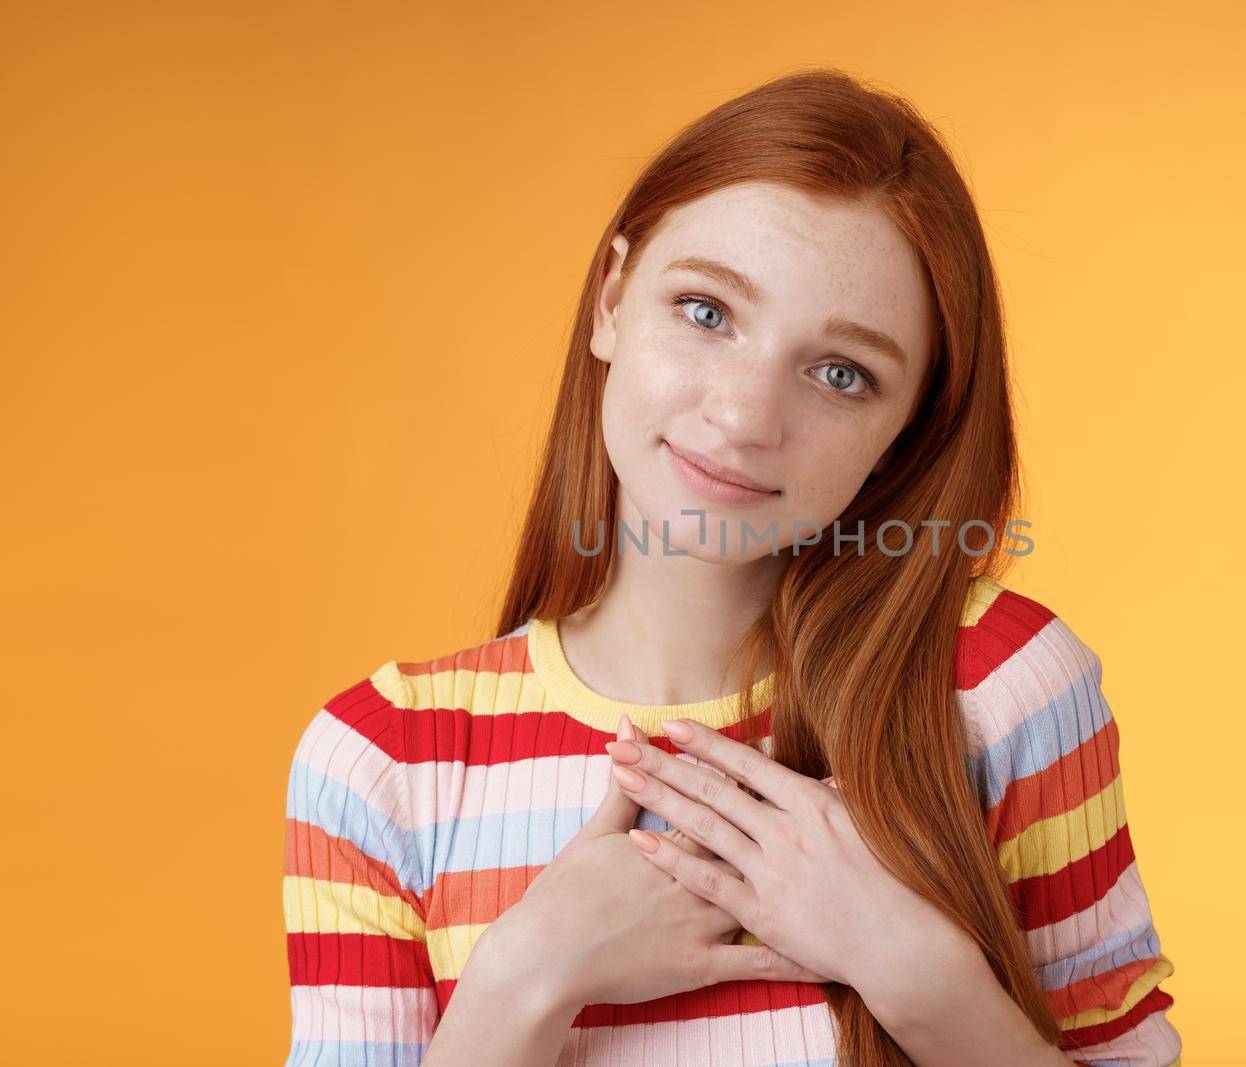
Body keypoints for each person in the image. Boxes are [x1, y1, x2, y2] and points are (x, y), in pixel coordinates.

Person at [281, 67, 1182, 1067]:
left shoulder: (998, 685)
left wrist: (920, 972)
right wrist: (522, 979)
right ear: (614, 297)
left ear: (903, 433)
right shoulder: (383, 760)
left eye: (841, 374)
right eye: (707, 311)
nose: (746, 418)